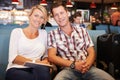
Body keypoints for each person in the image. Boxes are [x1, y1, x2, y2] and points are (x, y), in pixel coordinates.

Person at [47, 2, 115, 80]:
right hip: (68, 70)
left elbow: (91, 51)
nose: (60, 17)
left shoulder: (82, 30)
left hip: (88, 68)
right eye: (56, 15)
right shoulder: (52, 34)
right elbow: (51, 57)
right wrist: (73, 65)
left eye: (61, 13)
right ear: (54, 18)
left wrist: (87, 65)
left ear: (67, 13)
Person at [5, 5, 51, 80]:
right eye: (36, 15)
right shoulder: (17, 32)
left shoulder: (44, 33)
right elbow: (13, 58)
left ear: (44, 21)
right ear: (29, 16)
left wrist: (46, 62)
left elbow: (46, 55)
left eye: (41, 17)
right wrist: (35, 62)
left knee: (45, 74)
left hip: (37, 69)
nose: (38, 19)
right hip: (17, 68)